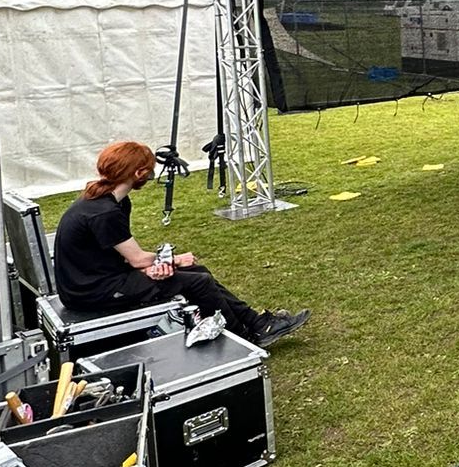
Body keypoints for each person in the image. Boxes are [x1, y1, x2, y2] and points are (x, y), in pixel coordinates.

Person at [53, 141, 309, 346]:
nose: (151, 175)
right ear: (138, 173)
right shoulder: (104, 212)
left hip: (104, 276)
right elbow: (137, 259)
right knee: (198, 281)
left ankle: (256, 323)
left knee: (198, 272)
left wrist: (153, 267)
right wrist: (173, 260)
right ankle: (243, 339)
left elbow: (120, 254)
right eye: (149, 170)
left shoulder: (112, 201)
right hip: (91, 292)